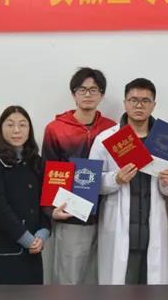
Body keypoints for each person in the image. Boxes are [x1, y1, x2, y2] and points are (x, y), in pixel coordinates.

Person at [90, 78, 168, 284]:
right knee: (120, 291)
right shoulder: (106, 139)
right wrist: (115, 179)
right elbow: (91, 183)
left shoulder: (166, 140)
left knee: (152, 292)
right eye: (133, 100)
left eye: (145, 101)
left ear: (153, 105)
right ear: (125, 103)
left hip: (151, 230)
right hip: (119, 228)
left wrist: (167, 183)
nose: (139, 105)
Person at [40, 67, 116, 285]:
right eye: (82, 90)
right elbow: (48, 172)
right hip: (72, 216)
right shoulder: (56, 129)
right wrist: (52, 210)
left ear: (102, 95)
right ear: (73, 94)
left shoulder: (113, 129)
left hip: (108, 216)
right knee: (69, 281)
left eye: (94, 90)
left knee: (102, 280)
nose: (88, 94)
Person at [0, 106, 51, 284]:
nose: (16, 130)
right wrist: (26, 238)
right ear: (1, 128)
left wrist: (43, 232)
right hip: (4, 249)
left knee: (32, 299)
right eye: (10, 124)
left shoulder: (35, 161)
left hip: (34, 248)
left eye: (22, 125)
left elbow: (46, 199)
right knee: (3, 299)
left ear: (29, 129)